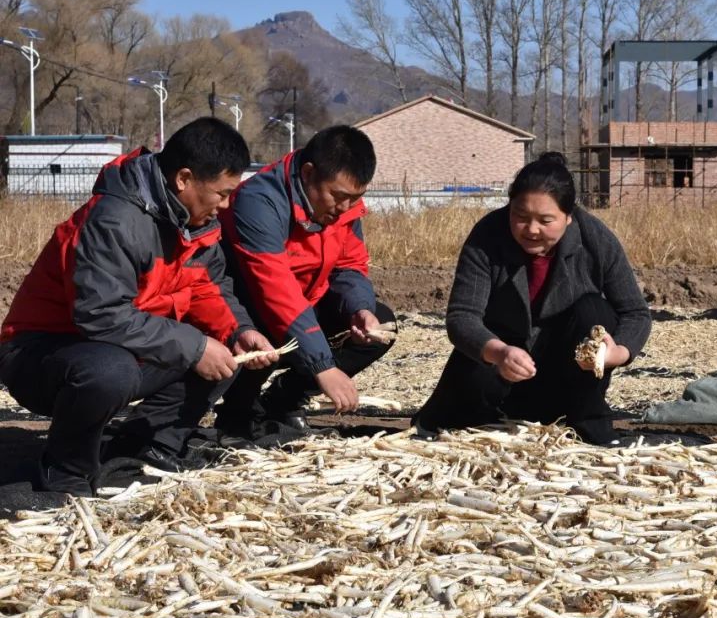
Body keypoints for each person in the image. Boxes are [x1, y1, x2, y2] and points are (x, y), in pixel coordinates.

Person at [0, 117, 278, 501]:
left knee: (227, 354)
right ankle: (66, 470)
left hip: (122, 347)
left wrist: (237, 331)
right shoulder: (114, 220)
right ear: (183, 179)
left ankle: (145, 446)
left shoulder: (195, 223)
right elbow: (102, 315)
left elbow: (209, 290)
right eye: (222, 193)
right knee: (110, 370)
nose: (226, 205)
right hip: (42, 354)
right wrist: (195, 348)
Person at [413, 152, 651, 444]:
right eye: (521, 217)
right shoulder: (488, 235)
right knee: (446, 426)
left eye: (546, 220)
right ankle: (482, 415)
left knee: (594, 311)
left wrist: (617, 354)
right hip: (497, 371)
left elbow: (635, 313)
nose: (532, 230)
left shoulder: (595, 239)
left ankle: (583, 419)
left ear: (568, 217)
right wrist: (498, 352)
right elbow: (462, 317)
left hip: (565, 374)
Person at [214, 125, 395, 436]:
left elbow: (349, 266)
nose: (345, 208)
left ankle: (284, 399)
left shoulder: (342, 210)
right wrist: (322, 366)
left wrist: (359, 310)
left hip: (304, 302)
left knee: (383, 323)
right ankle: (235, 412)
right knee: (268, 331)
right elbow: (275, 291)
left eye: (356, 198)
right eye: (338, 196)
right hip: (251, 306)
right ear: (309, 173)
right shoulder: (259, 202)